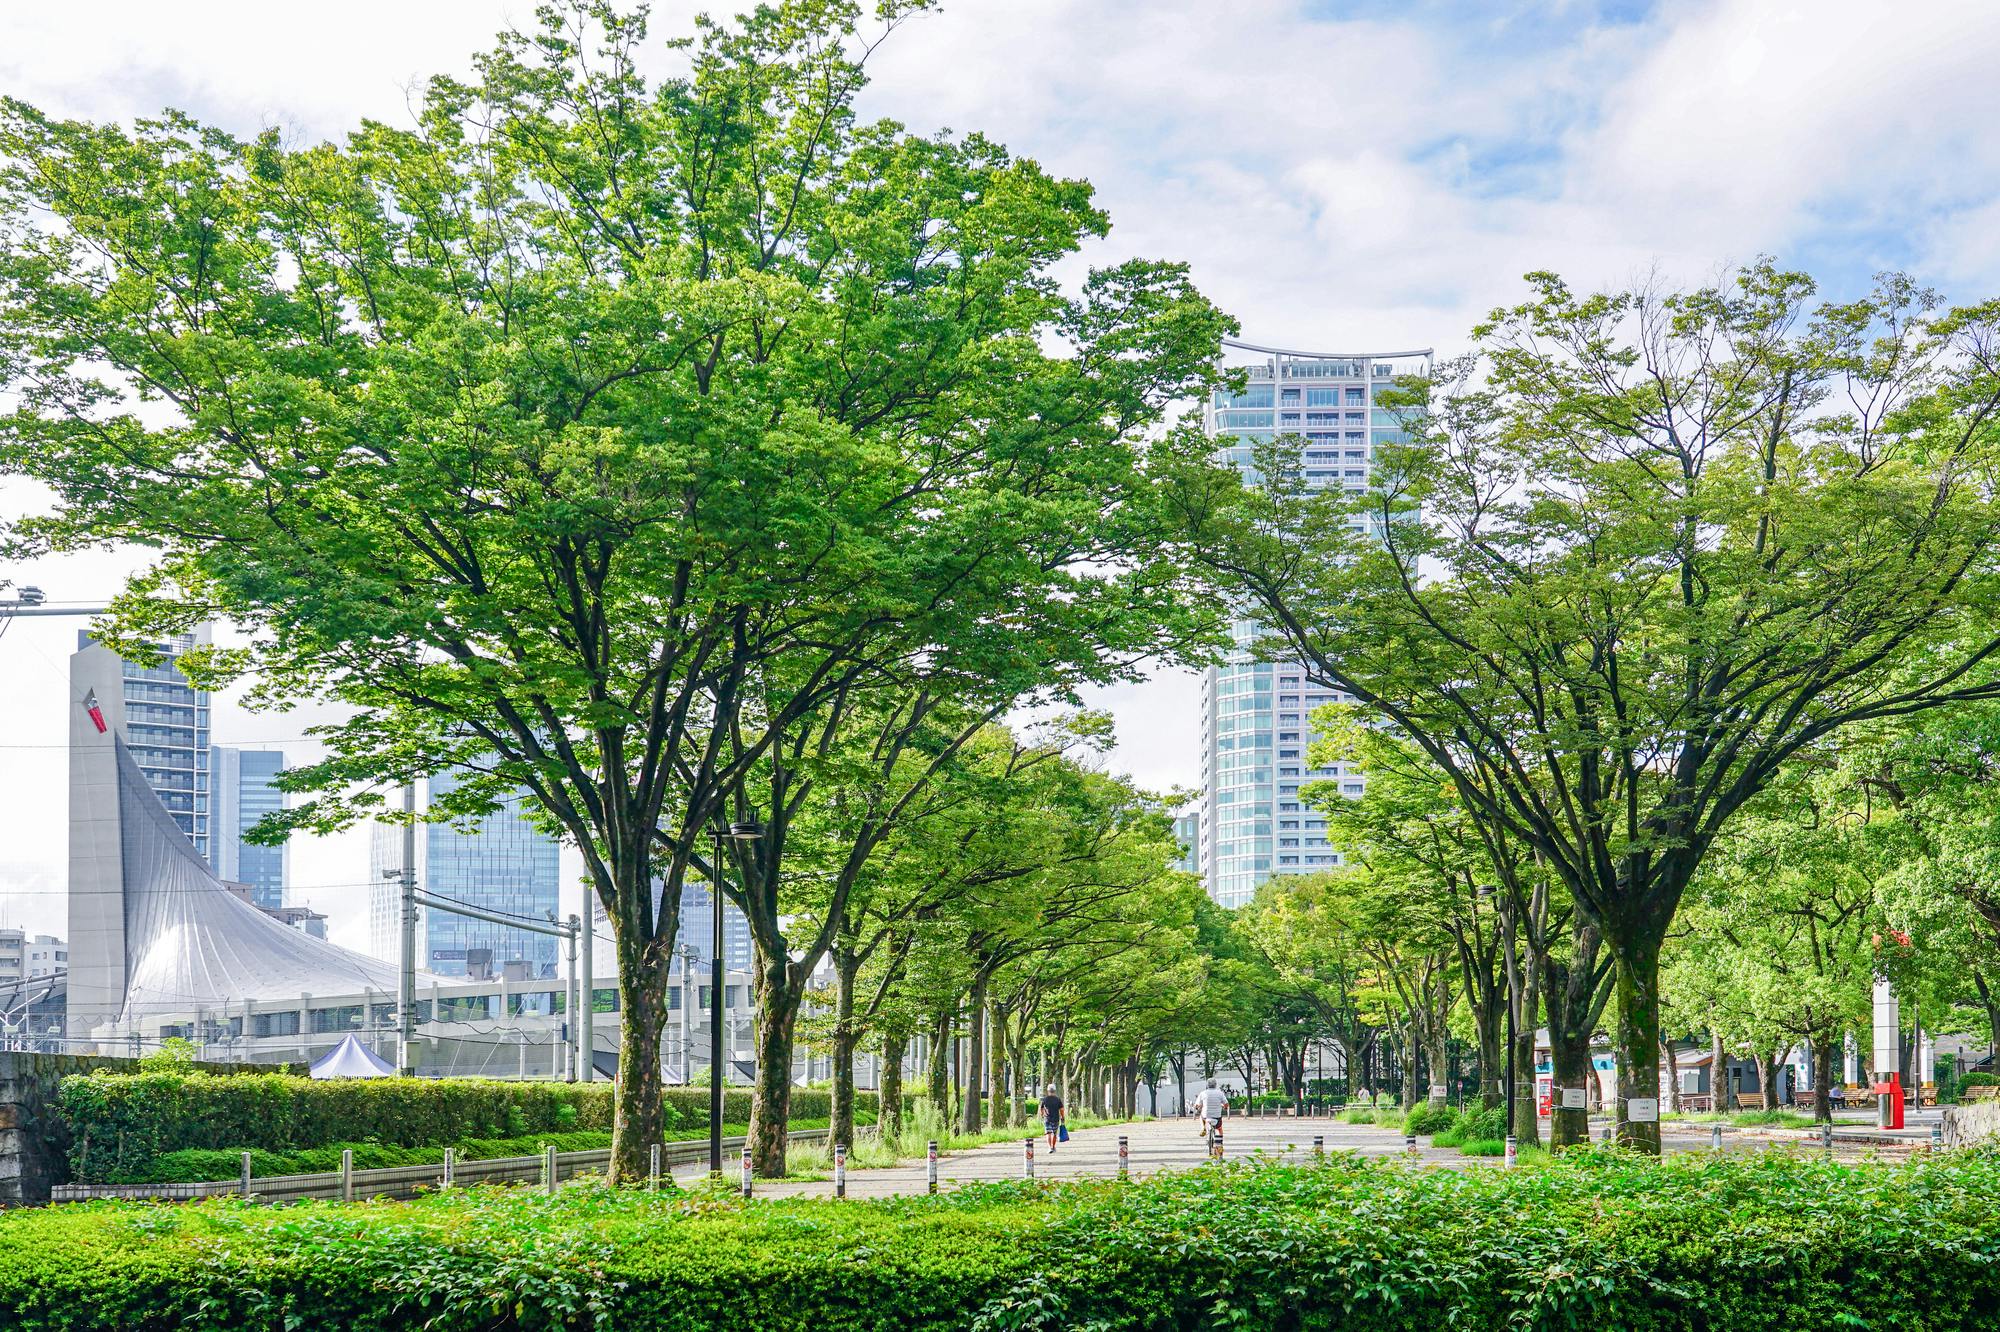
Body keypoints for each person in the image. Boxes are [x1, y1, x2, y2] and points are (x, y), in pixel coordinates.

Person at [1038, 1083, 1065, 1153]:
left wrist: (1042, 1114)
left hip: (1047, 1119)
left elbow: (1041, 1108)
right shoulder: (1058, 1099)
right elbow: (1061, 1109)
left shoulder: (1045, 1099)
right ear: (1055, 1091)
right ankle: (1053, 1147)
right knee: (1054, 1134)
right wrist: (1062, 1117)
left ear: (1048, 1090)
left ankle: (1049, 1147)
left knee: (1048, 1133)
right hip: (1055, 1119)